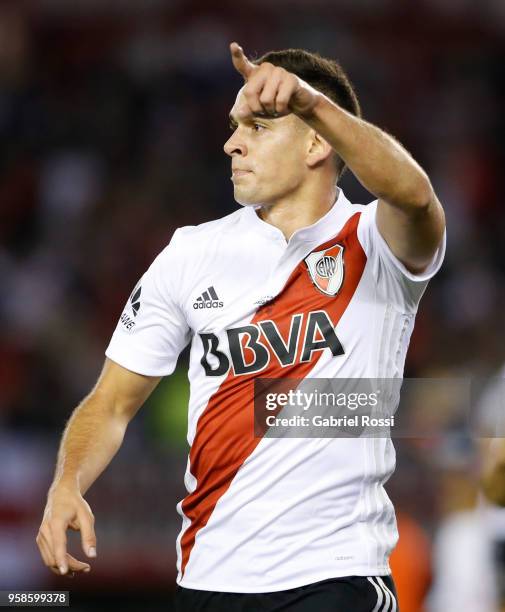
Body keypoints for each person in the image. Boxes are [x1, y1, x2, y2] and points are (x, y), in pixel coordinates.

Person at [36, 41, 446, 611]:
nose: (232, 143)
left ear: (316, 141)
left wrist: (310, 102)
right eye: (234, 126)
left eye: (257, 125)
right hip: (208, 576)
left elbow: (416, 196)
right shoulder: (190, 252)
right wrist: (67, 483)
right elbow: (111, 404)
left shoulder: (377, 240)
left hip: (335, 575)